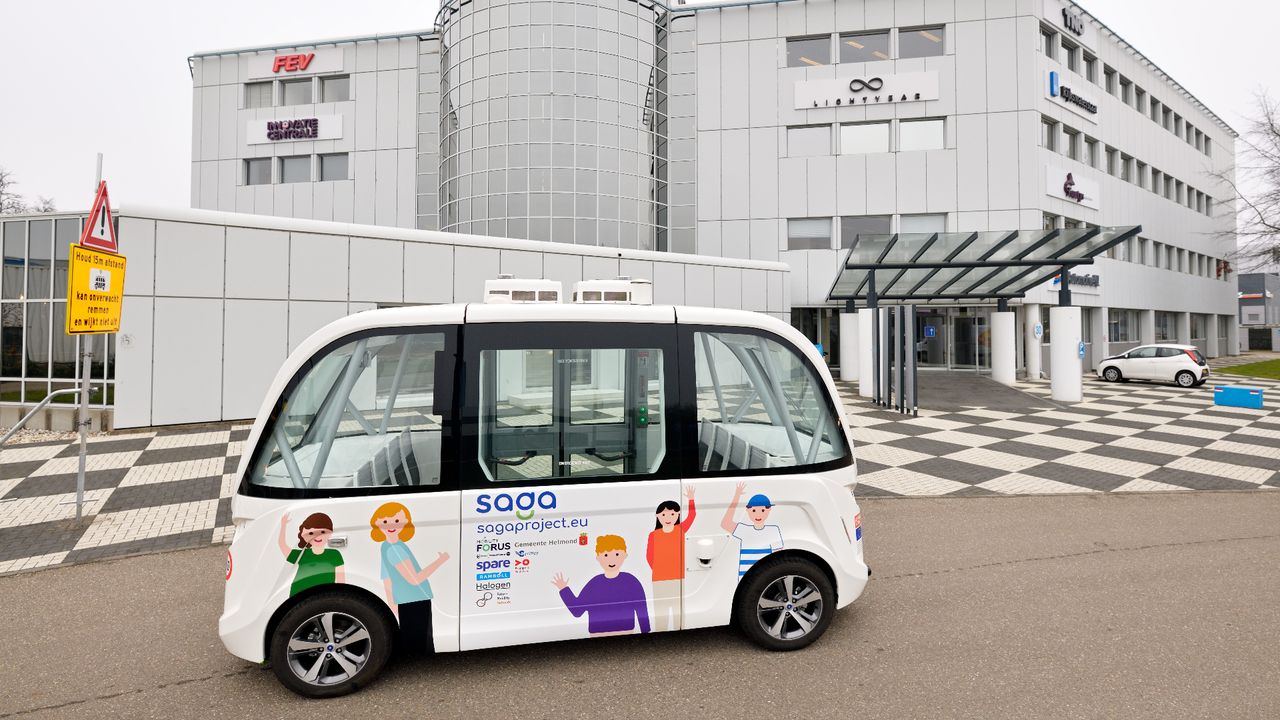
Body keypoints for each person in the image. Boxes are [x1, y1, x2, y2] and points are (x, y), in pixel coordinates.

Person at [370, 502, 449, 653]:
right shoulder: (396, 549)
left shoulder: (386, 545)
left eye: (397, 521)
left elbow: (386, 577)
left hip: (403, 598)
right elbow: (415, 579)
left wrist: (391, 603)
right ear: (377, 523)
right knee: (420, 638)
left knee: (410, 636)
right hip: (416, 597)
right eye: (385, 521)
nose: (391, 525)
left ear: (406, 522)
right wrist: (440, 561)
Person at [552, 535, 650, 636]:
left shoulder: (631, 582)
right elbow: (577, 611)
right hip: (598, 635)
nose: (611, 560)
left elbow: (641, 608)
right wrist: (564, 589)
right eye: (606, 555)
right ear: (598, 557)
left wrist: (646, 632)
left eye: (617, 554)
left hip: (625, 633)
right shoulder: (593, 584)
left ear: (624, 555)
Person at [646, 486, 696, 632]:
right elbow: (649, 556)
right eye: (664, 515)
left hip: (677, 577)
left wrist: (691, 498)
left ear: (678, 515)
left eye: (672, 514)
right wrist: (658, 569)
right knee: (660, 610)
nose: (668, 518)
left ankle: (674, 630)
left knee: (676, 609)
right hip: (659, 578)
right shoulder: (653, 535)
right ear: (658, 516)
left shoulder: (681, 529)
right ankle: (660, 630)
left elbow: (692, 516)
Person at [720, 482, 784, 578]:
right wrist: (737, 496)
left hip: (765, 577)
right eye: (754, 510)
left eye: (762, 510)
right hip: (745, 579)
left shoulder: (773, 530)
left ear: (769, 510)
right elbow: (725, 523)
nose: (758, 515)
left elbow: (778, 557)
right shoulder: (744, 530)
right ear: (748, 510)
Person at [277, 512, 344, 597]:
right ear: (304, 535)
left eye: (322, 532)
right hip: (299, 594)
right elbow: (282, 544)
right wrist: (283, 526)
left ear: (330, 533)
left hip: (325, 596)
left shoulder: (334, 554)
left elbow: (341, 580)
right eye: (311, 533)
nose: (318, 537)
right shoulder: (302, 553)